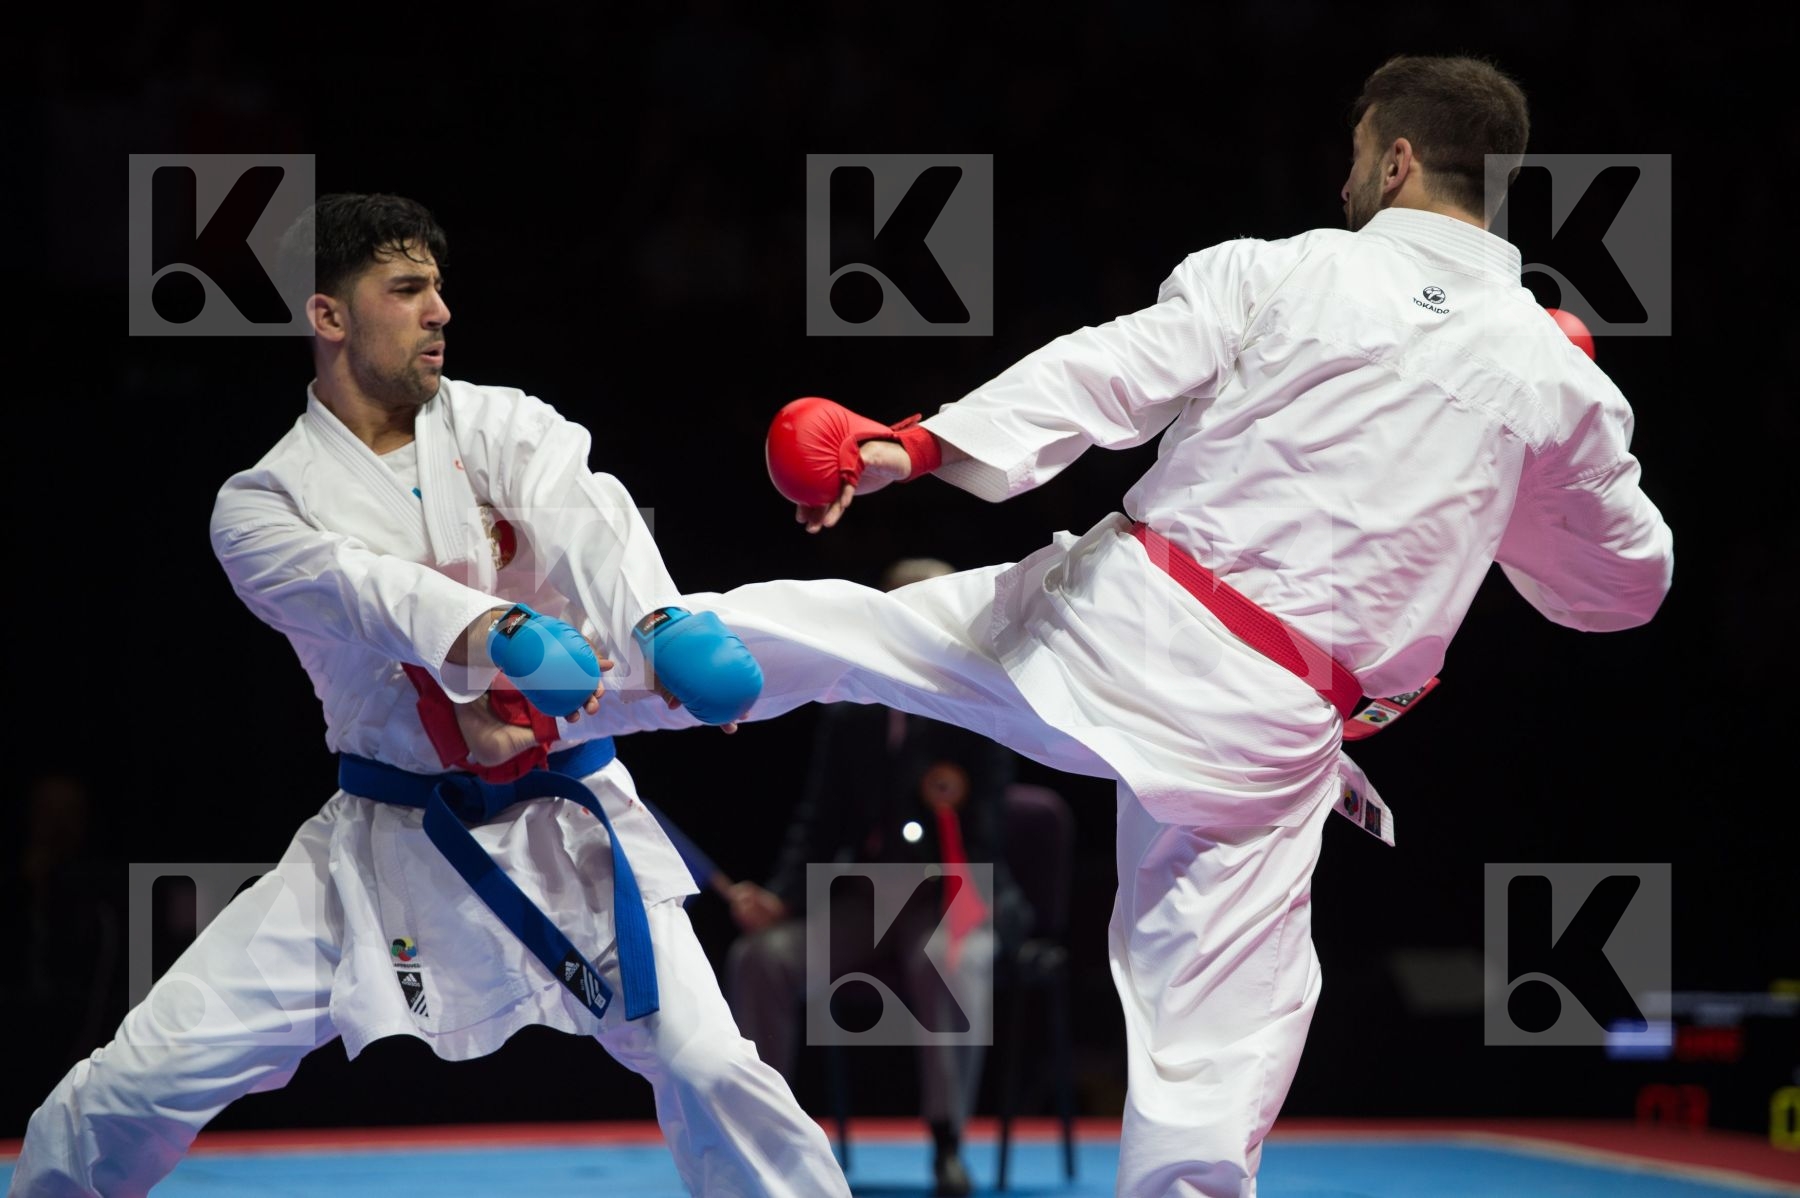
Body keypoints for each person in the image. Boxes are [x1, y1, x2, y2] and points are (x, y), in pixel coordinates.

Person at [595, 56, 1675, 1197]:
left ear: (1398, 157)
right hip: (1268, 736)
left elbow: (1112, 372)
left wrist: (915, 444)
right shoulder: (1553, 380)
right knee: (1211, 1042)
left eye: (1359, 152)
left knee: (863, 638)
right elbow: (1620, 589)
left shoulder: (1290, 270)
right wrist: (1560, 443)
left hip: (1123, 629)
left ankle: (585, 674)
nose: (1348, 174)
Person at [11, 194, 850, 1198]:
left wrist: (655, 622)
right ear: (329, 316)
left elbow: (588, 515)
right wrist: (498, 630)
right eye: (406, 290)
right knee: (137, 1081)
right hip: (381, 847)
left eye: (440, 289)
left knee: (717, 1072)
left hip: (572, 835)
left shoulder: (506, 426)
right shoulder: (263, 503)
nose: (439, 310)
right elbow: (367, 591)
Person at [724, 558, 1029, 1197]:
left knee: (948, 959)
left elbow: (991, 830)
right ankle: (765, 1139)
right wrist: (778, 895)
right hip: (865, 902)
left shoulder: (984, 699)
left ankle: (948, 1143)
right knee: (763, 958)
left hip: (953, 899)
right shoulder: (850, 709)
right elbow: (819, 818)